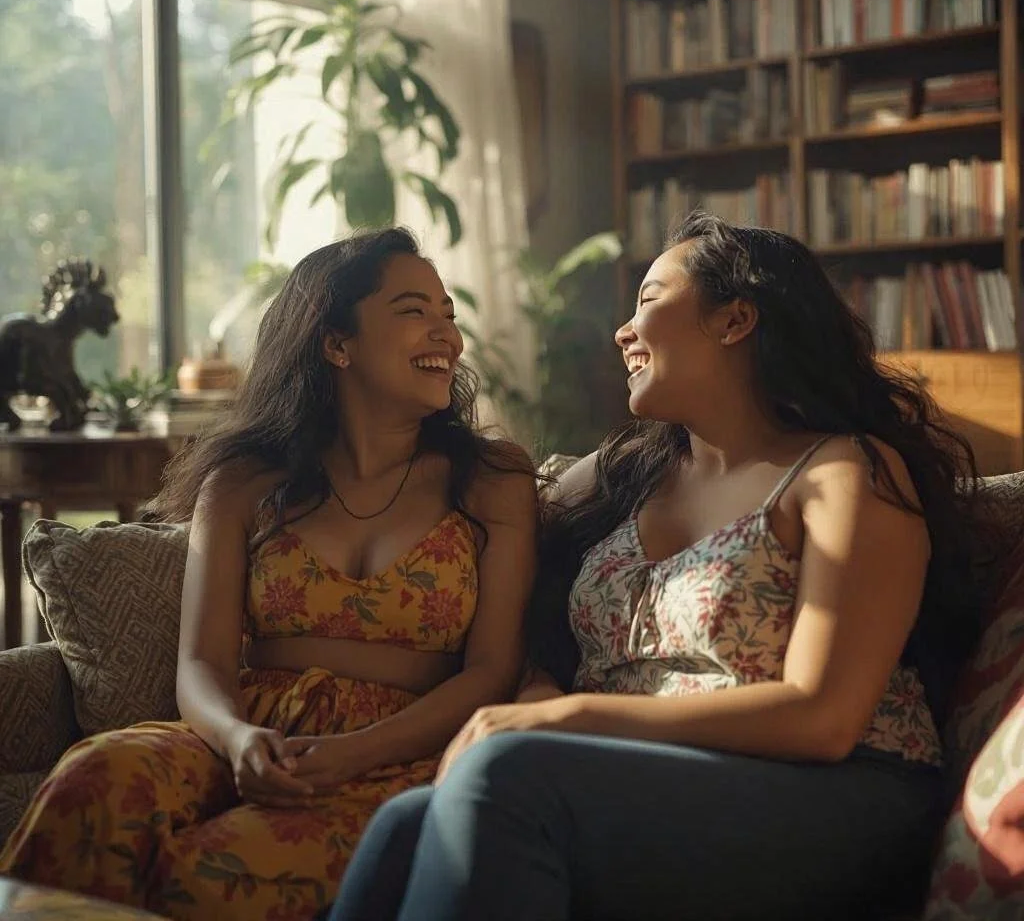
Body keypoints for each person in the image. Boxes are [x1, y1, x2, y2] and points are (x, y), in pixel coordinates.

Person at [328, 210, 988, 921]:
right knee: (406, 822)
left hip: (841, 789)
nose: (622, 331)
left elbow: (822, 717)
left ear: (735, 320)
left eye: (647, 300)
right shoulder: (623, 476)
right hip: (654, 784)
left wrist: (573, 715)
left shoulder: (842, 469)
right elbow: (495, 509)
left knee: (504, 774)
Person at [0, 227, 538, 920]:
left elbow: (492, 673)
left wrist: (350, 753)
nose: (448, 336)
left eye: (448, 315)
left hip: (399, 752)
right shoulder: (244, 481)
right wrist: (235, 738)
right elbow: (202, 661)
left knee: (210, 873)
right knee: (94, 783)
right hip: (241, 732)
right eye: (414, 311)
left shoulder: (492, 480)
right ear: (335, 342)